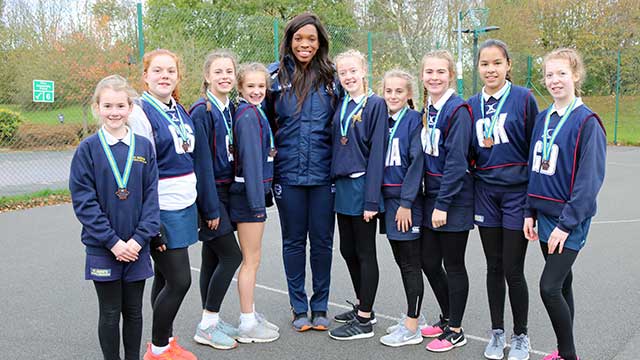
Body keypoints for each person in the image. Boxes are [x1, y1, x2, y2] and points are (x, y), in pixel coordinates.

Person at [524, 48, 606, 360]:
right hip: (543, 216)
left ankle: (569, 355)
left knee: (549, 287)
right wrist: (529, 211)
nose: (554, 80)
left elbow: (589, 183)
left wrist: (565, 225)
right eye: (549, 74)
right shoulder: (543, 119)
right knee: (563, 284)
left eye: (561, 73)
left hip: (567, 221)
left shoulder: (588, 123)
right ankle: (563, 350)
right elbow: (534, 168)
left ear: (575, 76)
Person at [69, 75, 160, 360]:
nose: (114, 111)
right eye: (107, 105)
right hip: (103, 248)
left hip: (136, 247)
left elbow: (152, 199)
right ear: (97, 107)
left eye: (120, 105)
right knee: (110, 312)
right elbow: (84, 202)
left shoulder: (144, 147)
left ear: (130, 107)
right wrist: (113, 242)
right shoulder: (88, 150)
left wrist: (137, 240)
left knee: (134, 311)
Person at [266, 12, 339, 332]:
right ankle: (298, 307)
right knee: (293, 242)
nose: (305, 44)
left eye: (311, 38)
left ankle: (320, 306)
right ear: (289, 40)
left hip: (324, 177)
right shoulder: (274, 77)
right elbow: (265, 125)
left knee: (322, 243)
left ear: (320, 41)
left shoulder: (333, 78)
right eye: (299, 38)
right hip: (288, 176)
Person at [467, 39, 539, 360]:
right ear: (478, 68)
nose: (491, 69)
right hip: (485, 195)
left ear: (508, 65)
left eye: (497, 63)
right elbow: (468, 153)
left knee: (513, 268)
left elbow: (536, 152)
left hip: (516, 195)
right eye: (485, 64)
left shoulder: (524, 99)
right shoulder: (471, 104)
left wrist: (532, 205)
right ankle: (497, 333)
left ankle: (520, 335)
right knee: (493, 266)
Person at [128, 49, 198, 360]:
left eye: (170, 70)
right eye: (157, 71)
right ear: (145, 76)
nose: (164, 76)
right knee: (181, 280)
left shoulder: (177, 109)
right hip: (161, 208)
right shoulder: (140, 113)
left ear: (177, 76)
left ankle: (164, 341)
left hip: (184, 205)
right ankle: (157, 350)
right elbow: (141, 169)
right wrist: (149, 217)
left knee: (165, 277)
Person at [327, 49, 387, 341]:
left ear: (364, 71)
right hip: (343, 188)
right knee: (347, 250)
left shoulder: (375, 104)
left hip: (363, 187)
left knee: (365, 252)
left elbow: (377, 155)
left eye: (353, 71)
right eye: (342, 73)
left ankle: (364, 321)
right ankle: (364, 305)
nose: (348, 77)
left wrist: (372, 199)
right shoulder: (342, 104)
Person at [418, 50, 474, 353]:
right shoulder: (429, 108)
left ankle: (456, 330)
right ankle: (446, 316)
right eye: (429, 72)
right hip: (431, 198)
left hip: (452, 200)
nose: (434, 77)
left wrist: (443, 204)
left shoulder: (458, 109)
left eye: (440, 72)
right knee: (428, 260)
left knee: (453, 264)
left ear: (450, 74)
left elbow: (456, 161)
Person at [189, 50, 243, 350]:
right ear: (207, 76)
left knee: (211, 257)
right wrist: (209, 207)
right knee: (232, 256)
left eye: (229, 72)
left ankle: (210, 318)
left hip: (225, 191)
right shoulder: (202, 111)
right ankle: (207, 324)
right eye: (218, 72)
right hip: (211, 194)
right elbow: (202, 165)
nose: (224, 76)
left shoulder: (229, 108)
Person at [376, 69, 425, 348]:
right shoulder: (384, 120)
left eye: (398, 91)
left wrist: (407, 202)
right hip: (388, 201)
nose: (393, 96)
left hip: (404, 204)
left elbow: (416, 163)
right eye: (388, 91)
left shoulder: (413, 121)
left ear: (408, 95)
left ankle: (412, 325)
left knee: (410, 263)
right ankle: (412, 317)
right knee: (401, 260)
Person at [231, 62, 279, 344]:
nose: (257, 91)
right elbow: (250, 161)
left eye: (261, 86)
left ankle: (250, 314)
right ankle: (246, 321)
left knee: (254, 258)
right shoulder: (248, 116)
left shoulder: (256, 112)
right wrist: (257, 203)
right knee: (251, 260)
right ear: (241, 88)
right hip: (249, 198)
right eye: (250, 86)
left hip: (254, 195)